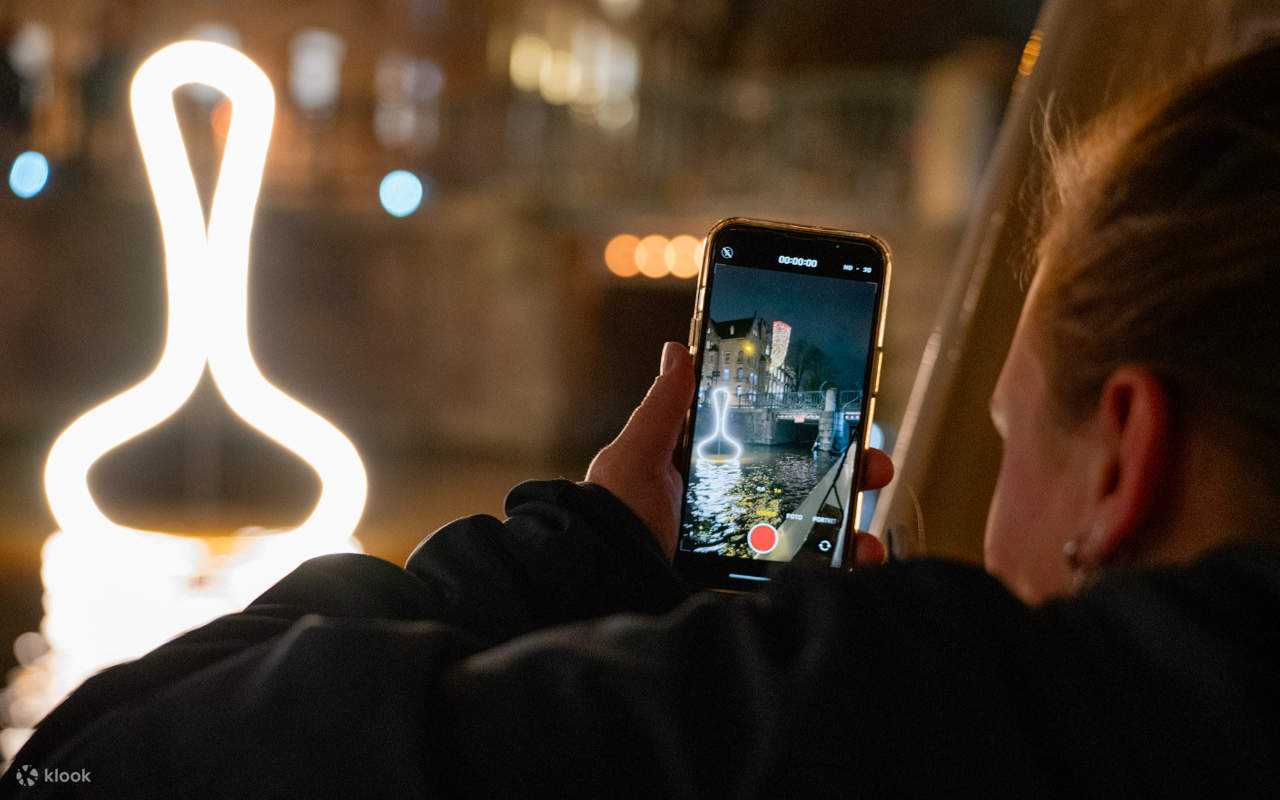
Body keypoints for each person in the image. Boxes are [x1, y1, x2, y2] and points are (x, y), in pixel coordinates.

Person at [4, 41, 1280, 799]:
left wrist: (585, 542)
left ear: (1121, 454)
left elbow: (92, 766)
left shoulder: (959, 714)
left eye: (1008, 438)